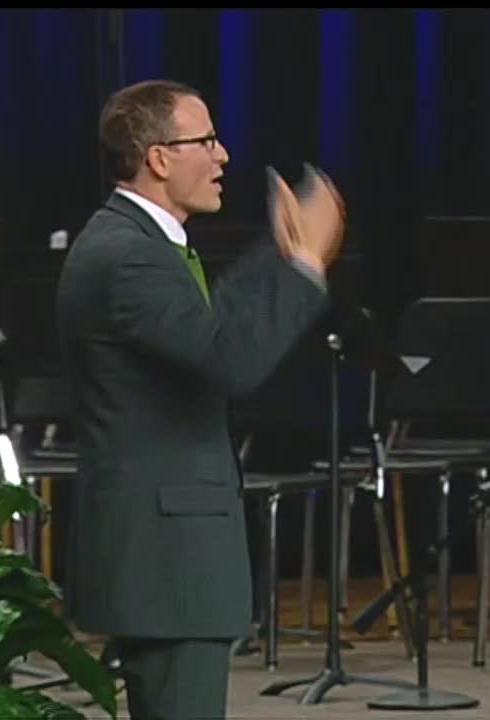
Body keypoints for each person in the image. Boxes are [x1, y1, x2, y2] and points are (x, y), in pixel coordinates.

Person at [56, 79, 344, 719]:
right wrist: (302, 267)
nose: (224, 156)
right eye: (206, 140)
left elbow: (202, 337)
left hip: (168, 553)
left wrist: (285, 257)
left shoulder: (138, 245)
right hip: (167, 557)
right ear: (158, 157)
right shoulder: (128, 255)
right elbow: (228, 358)